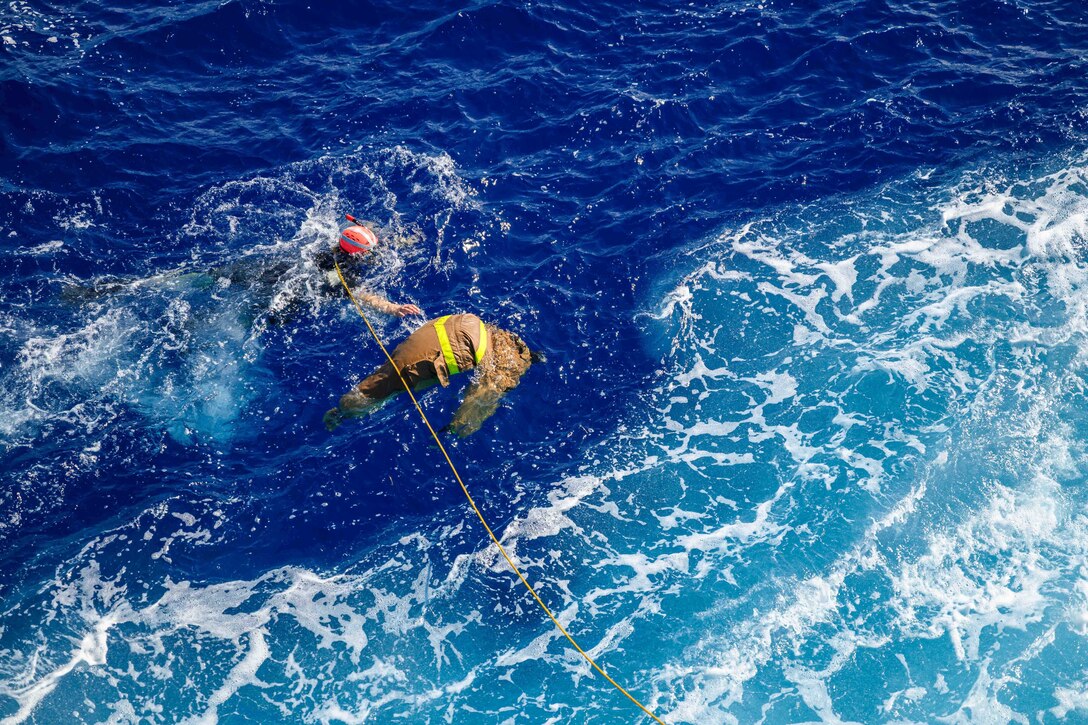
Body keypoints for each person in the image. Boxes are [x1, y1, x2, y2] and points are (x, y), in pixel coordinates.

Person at [323, 312, 541, 437]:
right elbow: (479, 401)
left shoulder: (490, 334)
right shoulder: (502, 369)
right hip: (437, 351)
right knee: (362, 399)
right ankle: (341, 411)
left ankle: (348, 407)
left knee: (390, 382)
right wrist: (456, 429)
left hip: (459, 326)